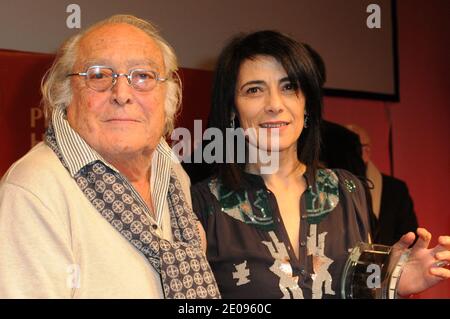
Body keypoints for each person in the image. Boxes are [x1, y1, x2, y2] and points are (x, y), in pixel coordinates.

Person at [190, 30, 450, 299]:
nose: (274, 104)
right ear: (233, 109)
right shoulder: (200, 205)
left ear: (307, 105)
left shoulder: (348, 191)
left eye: (289, 87)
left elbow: (363, 291)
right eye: (254, 90)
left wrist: (391, 285)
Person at [0, 15, 220, 299]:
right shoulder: (34, 190)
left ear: (168, 96)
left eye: (143, 76)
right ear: (65, 95)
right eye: (99, 75)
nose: (122, 94)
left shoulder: (173, 173)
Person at [346, 124, 419, 246]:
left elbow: (409, 237)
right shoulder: (323, 186)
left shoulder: (395, 190)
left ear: (367, 151)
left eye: (352, 147)